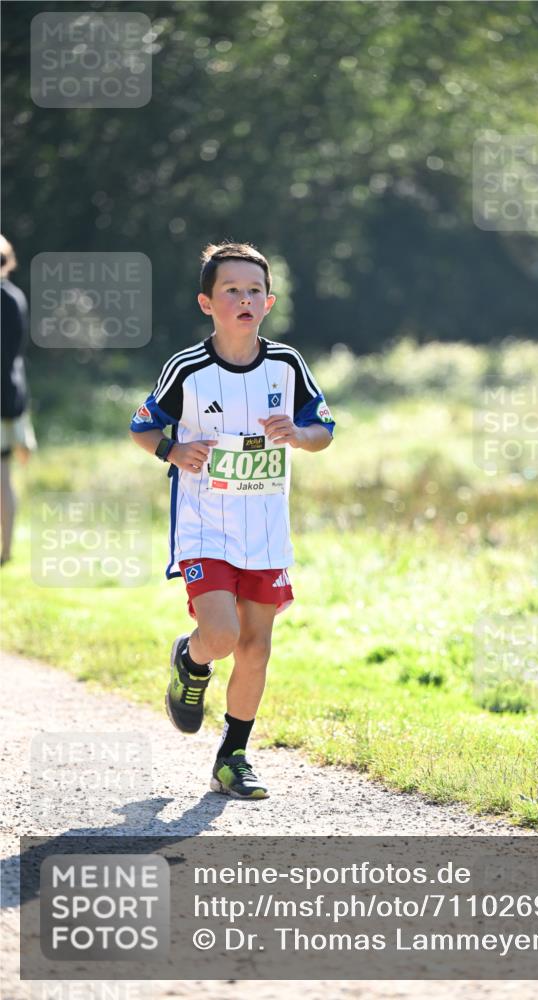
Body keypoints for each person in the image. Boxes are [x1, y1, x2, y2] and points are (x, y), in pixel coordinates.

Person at [129, 241, 335, 799]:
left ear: (268, 302)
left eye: (254, 291)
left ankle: (233, 757)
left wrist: (299, 435)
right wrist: (172, 451)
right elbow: (143, 425)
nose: (244, 299)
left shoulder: (287, 365)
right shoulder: (188, 368)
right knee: (221, 635)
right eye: (231, 291)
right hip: (205, 524)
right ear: (207, 302)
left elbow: (323, 429)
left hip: (265, 529)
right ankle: (191, 662)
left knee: (256, 649)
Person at [1, 234, 37, 566]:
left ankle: (6, 551)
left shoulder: (9, 299)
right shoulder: (13, 298)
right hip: (9, 398)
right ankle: (6, 550)